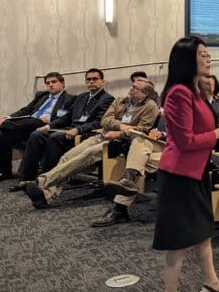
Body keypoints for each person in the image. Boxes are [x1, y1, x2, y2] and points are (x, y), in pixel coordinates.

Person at [153, 37, 219, 292]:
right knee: (177, 241)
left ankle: (211, 282)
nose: (208, 58)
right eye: (203, 54)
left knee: (203, 231)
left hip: (197, 170)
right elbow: (185, 141)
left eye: (208, 54)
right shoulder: (178, 93)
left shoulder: (197, 89)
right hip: (179, 174)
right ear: (187, 59)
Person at [23, 79, 160, 209]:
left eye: (136, 88)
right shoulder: (120, 100)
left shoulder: (150, 107)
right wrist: (121, 125)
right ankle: (46, 196)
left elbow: (141, 130)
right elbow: (105, 120)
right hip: (101, 135)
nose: (131, 89)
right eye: (132, 86)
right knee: (68, 156)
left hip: (119, 142)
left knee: (87, 154)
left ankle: (41, 182)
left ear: (145, 93)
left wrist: (119, 133)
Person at [15, 68, 114, 189]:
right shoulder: (81, 97)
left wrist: (78, 130)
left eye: (95, 79)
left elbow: (99, 122)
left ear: (102, 81)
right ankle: (26, 179)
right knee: (37, 135)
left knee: (54, 138)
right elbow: (66, 116)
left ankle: (45, 180)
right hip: (69, 129)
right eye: (89, 79)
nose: (91, 81)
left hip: (86, 133)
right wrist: (48, 126)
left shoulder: (107, 99)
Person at [0, 72, 74, 183]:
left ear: (63, 83)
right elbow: (26, 110)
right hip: (27, 124)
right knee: (3, 134)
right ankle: (4, 172)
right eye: (48, 83)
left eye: (54, 82)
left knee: (32, 121)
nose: (50, 85)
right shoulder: (42, 95)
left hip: (45, 127)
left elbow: (65, 118)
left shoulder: (70, 99)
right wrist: (6, 118)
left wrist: (49, 122)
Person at [92, 115, 167, 228]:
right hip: (164, 144)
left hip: (181, 149)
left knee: (138, 160)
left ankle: (120, 205)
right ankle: (128, 180)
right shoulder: (172, 106)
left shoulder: (197, 105)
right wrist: (157, 132)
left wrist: (164, 134)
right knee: (139, 141)